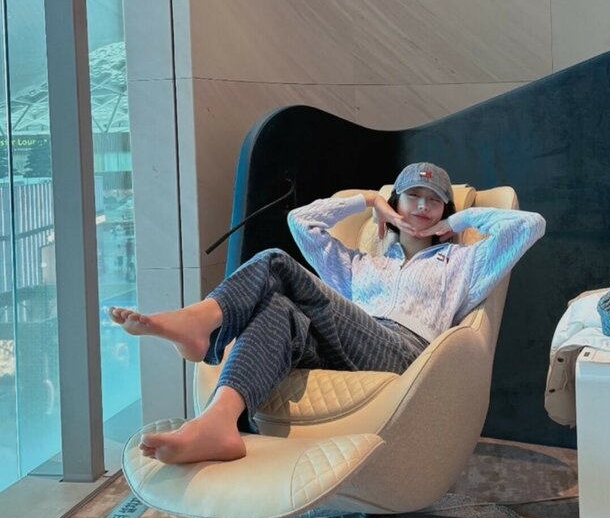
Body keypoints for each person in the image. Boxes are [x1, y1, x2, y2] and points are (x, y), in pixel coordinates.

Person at [109, 162, 546, 465]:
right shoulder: (360, 265)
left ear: (444, 211)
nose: (421, 206)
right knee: (277, 308)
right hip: (347, 344)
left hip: (409, 354)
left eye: (434, 200)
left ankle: (203, 321)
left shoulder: (463, 264)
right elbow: (301, 222)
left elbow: (529, 226)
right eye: (412, 195)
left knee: (275, 261)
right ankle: (219, 423)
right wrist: (368, 200)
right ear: (395, 203)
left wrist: (462, 221)